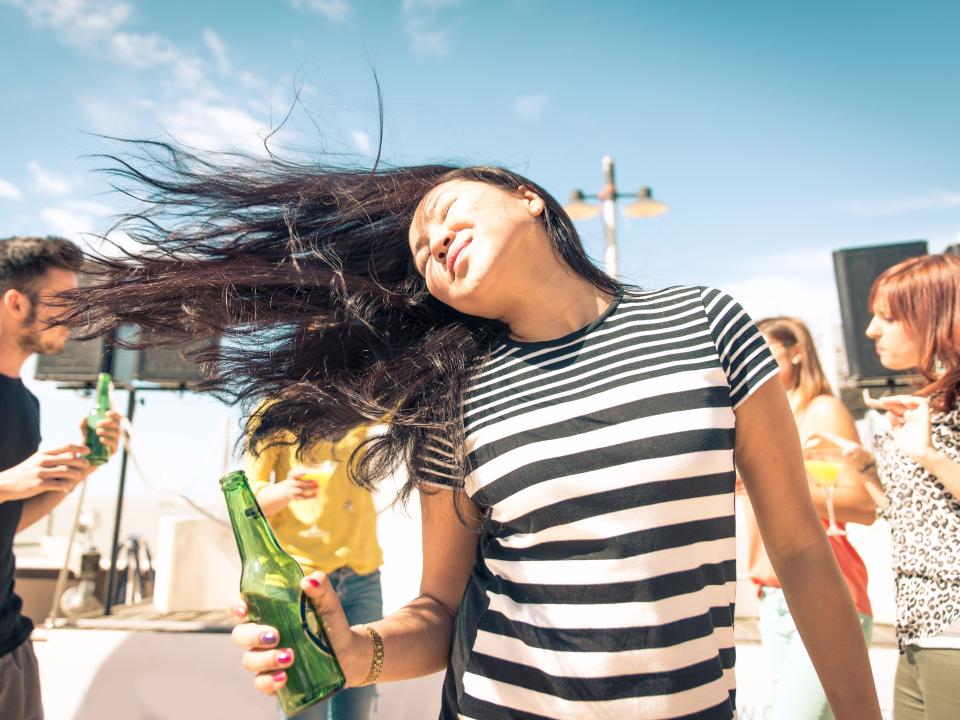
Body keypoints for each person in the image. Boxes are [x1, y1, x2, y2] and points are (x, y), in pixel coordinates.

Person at [71, 146, 881, 719]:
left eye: (446, 214)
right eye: (422, 255)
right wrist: (359, 654)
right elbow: (437, 609)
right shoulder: (451, 400)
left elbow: (804, 553)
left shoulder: (703, 321)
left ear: (528, 196)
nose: (435, 244)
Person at [811, 254, 960, 720]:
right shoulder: (929, 401)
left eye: (888, 318)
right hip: (916, 630)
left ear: (935, 318)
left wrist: (930, 455)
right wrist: (867, 466)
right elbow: (915, 518)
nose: (872, 330)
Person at [0, 236, 122, 720]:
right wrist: (8, 482)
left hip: (10, 643)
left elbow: (10, 521)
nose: (75, 318)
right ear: (15, 302)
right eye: (63, 302)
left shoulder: (25, 403)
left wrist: (76, 472)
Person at [740, 316, 876, 720]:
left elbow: (861, 505)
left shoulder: (822, 410)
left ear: (796, 351)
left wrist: (762, 479)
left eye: (764, 349)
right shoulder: (759, 416)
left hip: (826, 590)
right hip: (773, 598)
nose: (752, 360)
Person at [246, 420, 383, 720]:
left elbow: (400, 400)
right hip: (302, 582)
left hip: (363, 576)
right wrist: (285, 491)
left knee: (357, 706)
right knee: (307, 706)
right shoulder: (271, 411)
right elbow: (248, 501)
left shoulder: (356, 396)